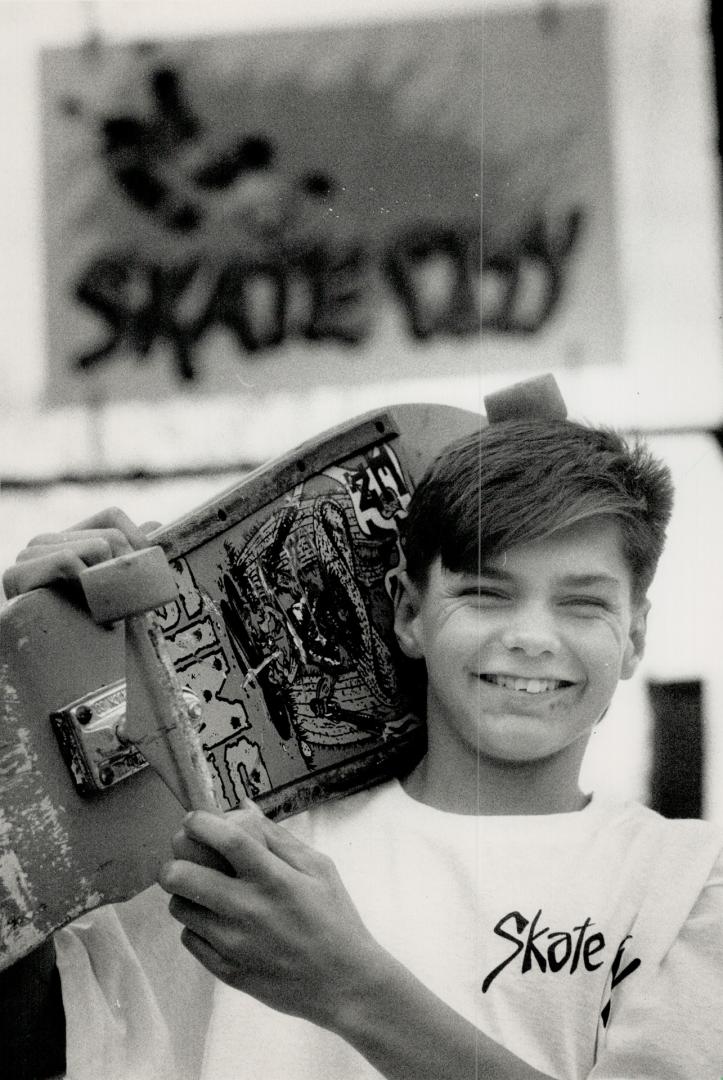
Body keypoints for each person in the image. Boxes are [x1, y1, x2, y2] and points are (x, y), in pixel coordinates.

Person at [2, 416, 722, 1080]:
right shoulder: (249, 848)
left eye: (582, 602)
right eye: (485, 594)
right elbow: (46, 1036)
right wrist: (23, 702)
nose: (531, 636)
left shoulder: (687, 886)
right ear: (410, 613)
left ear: (633, 637)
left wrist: (349, 986)